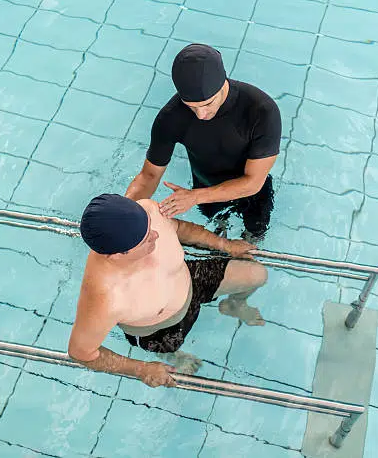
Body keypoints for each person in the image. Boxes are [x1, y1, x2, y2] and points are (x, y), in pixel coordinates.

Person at [68, 193, 268, 388]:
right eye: (146, 239)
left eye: (150, 228)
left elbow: (179, 228)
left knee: (257, 275)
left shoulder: (148, 210)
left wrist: (224, 244)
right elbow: (81, 352)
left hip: (190, 280)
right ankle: (172, 355)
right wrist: (140, 369)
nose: (155, 234)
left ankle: (234, 304)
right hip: (160, 330)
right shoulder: (105, 297)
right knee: (173, 351)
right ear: (117, 256)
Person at [125, 43, 282, 241]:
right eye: (191, 106)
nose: (201, 115)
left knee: (253, 238)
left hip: (252, 194)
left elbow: (253, 182)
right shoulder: (170, 118)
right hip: (204, 186)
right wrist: (123, 214)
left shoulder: (261, 111)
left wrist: (195, 196)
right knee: (218, 235)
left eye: (208, 103)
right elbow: (148, 176)